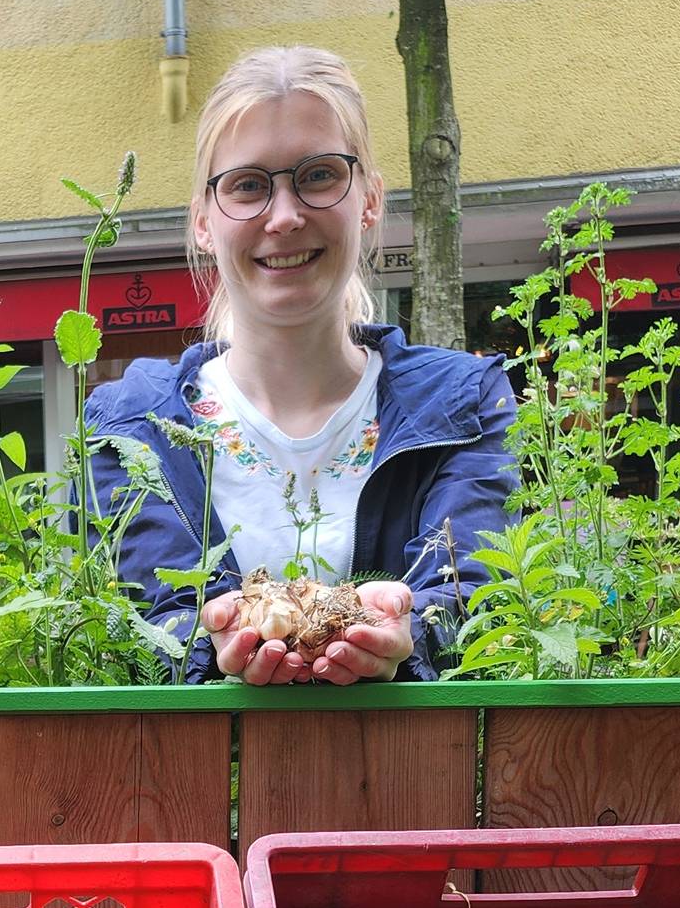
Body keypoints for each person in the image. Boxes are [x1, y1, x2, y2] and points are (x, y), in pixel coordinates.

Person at [86, 46, 515, 683]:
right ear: (205, 222)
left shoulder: (464, 403)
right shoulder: (129, 425)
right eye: (248, 185)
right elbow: (137, 631)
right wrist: (206, 647)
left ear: (368, 200)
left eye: (317, 176)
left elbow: (477, 603)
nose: (284, 217)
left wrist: (411, 631)